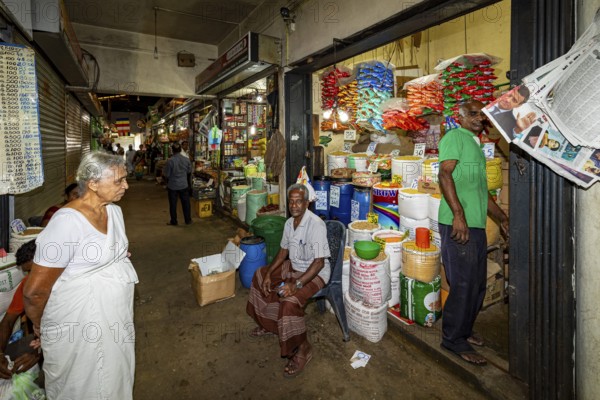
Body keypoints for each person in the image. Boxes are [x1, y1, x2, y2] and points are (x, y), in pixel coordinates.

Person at [24, 151, 138, 399]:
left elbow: (109, 252)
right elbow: (35, 292)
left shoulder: (114, 212)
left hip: (115, 319)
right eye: (119, 180)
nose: (126, 186)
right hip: (77, 326)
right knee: (83, 384)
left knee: (114, 377)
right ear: (93, 183)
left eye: (125, 179)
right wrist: (40, 324)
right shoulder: (66, 222)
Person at [438, 101, 508, 366]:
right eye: (474, 113)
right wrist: (458, 215)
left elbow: (482, 191)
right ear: (461, 117)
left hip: (476, 225)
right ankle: (453, 339)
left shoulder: (476, 146)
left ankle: (464, 329)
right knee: (463, 283)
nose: (480, 118)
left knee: (477, 284)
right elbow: (445, 175)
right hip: (458, 224)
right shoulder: (454, 137)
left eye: (482, 114)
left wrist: (502, 218)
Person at [246, 183, 331, 378]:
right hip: (294, 266)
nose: (294, 206)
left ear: (307, 203)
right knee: (259, 275)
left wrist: (297, 284)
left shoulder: (316, 224)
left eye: (298, 201)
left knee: (290, 302)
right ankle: (269, 325)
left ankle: (303, 348)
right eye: (291, 202)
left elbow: (318, 263)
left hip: (314, 273)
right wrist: (269, 273)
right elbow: (283, 251)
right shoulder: (288, 223)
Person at [0, 240, 41, 380]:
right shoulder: (27, 285)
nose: (30, 277)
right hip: (40, 340)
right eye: (27, 273)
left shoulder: (68, 287)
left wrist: (39, 354)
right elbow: (7, 322)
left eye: (33, 271)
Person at [163, 143, 192, 225]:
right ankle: (188, 220)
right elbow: (189, 171)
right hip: (183, 184)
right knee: (186, 203)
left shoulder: (170, 161)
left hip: (173, 186)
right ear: (180, 150)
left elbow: (167, 174)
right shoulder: (186, 159)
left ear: (172, 150)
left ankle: (174, 221)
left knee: (173, 204)